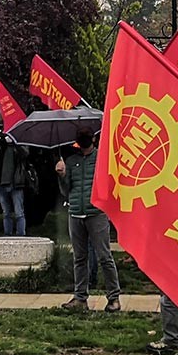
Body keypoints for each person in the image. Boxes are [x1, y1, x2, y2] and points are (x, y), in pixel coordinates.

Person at [56, 128, 119, 311]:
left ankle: (114, 298)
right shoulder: (71, 161)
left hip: (97, 213)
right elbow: (66, 191)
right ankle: (80, 298)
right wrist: (62, 176)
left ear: (94, 138)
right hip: (75, 213)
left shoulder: (103, 159)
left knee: (105, 257)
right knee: (79, 258)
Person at [0, 131, 28, 236]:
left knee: (19, 212)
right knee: (6, 212)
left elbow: (25, 154)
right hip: (1, 183)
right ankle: (7, 234)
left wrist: (15, 142)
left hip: (16, 183)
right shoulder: (0, 146)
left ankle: (21, 235)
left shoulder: (19, 143)